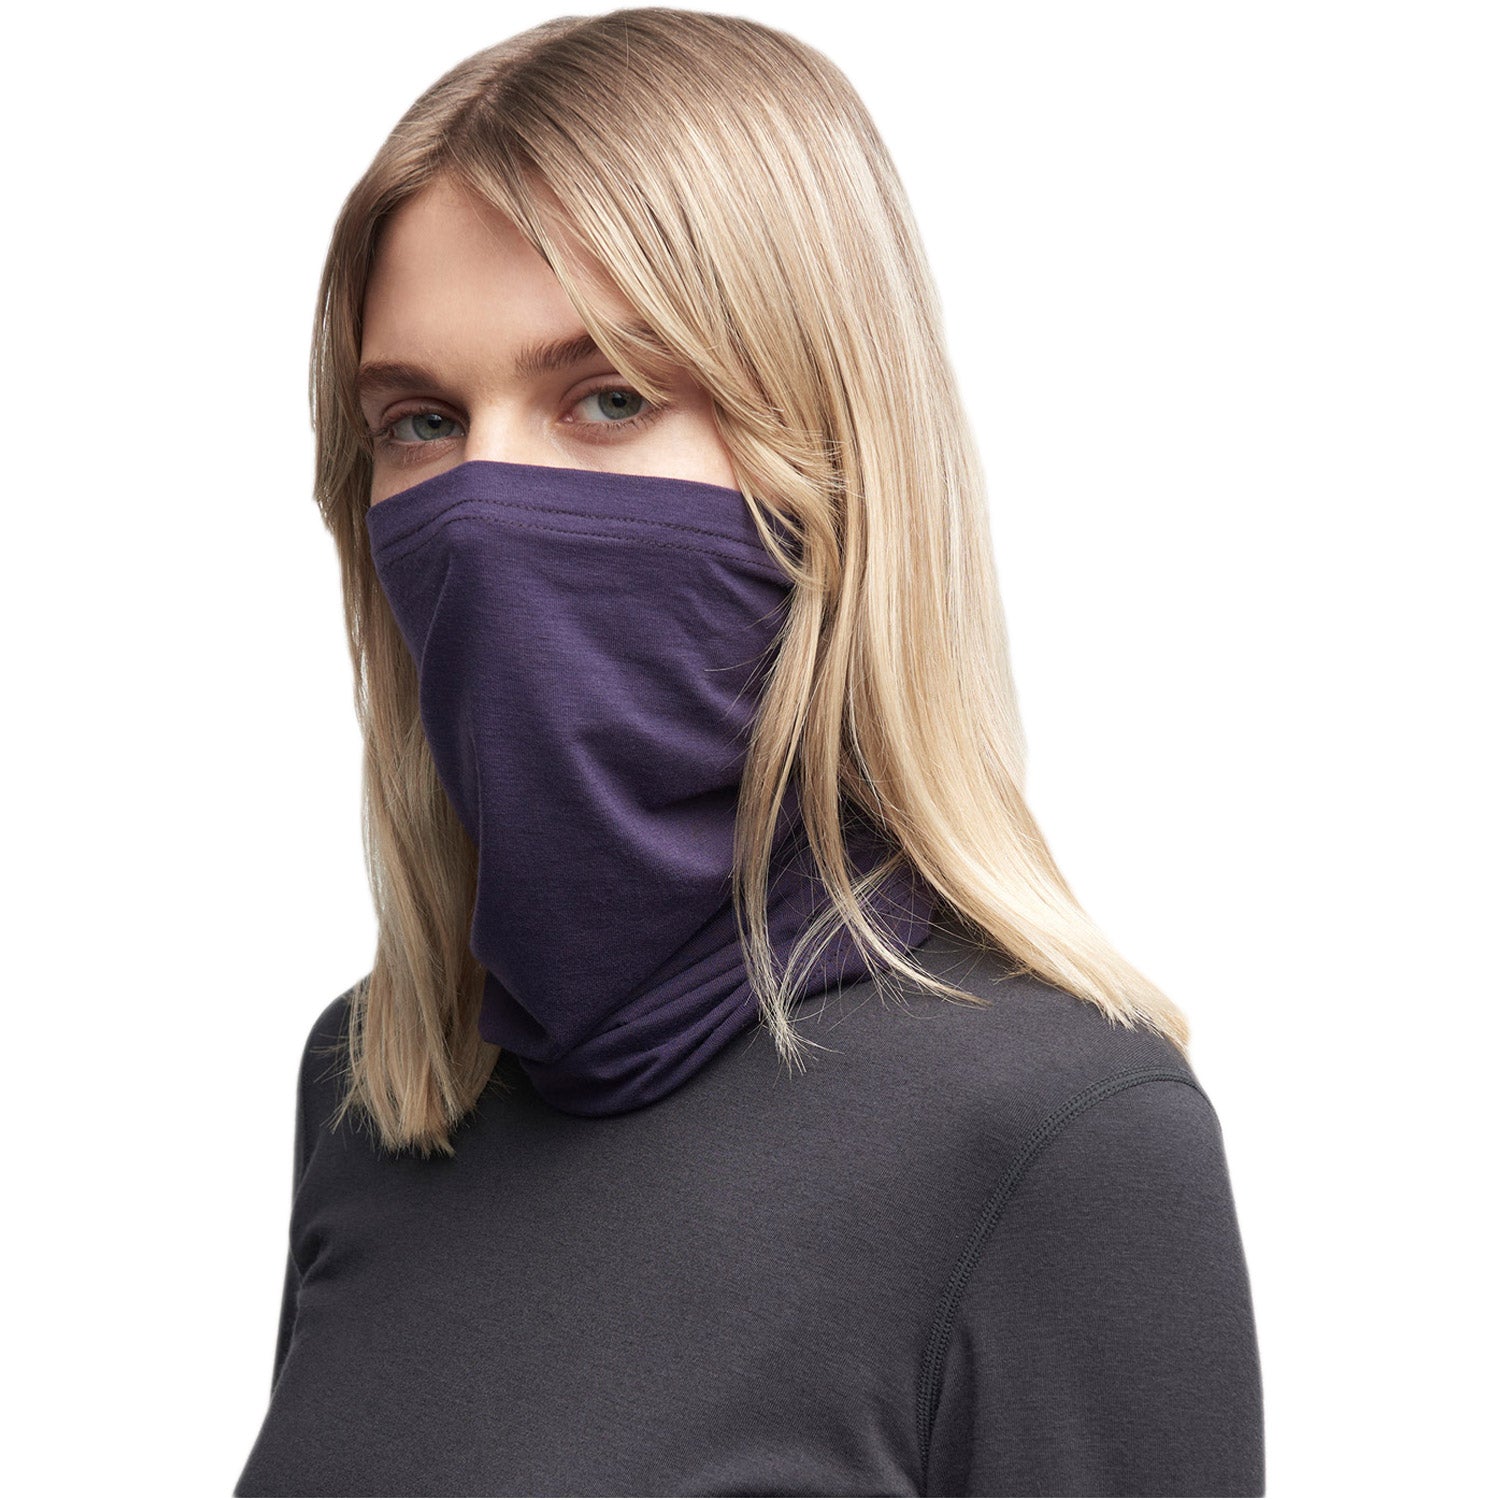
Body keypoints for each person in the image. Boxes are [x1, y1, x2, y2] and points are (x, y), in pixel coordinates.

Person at [233, 8, 1264, 1496]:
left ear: (831, 471)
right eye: (420, 421)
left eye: (610, 397)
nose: (485, 506)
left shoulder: (1059, 1139)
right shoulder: (379, 1085)